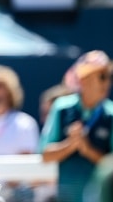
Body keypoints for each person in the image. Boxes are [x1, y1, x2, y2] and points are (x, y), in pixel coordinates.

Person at [39, 50, 113, 202]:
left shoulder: (111, 113)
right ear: (84, 80)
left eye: (109, 77)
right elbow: (45, 154)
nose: (107, 83)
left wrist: (87, 149)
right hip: (66, 197)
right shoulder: (61, 108)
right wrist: (70, 145)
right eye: (102, 76)